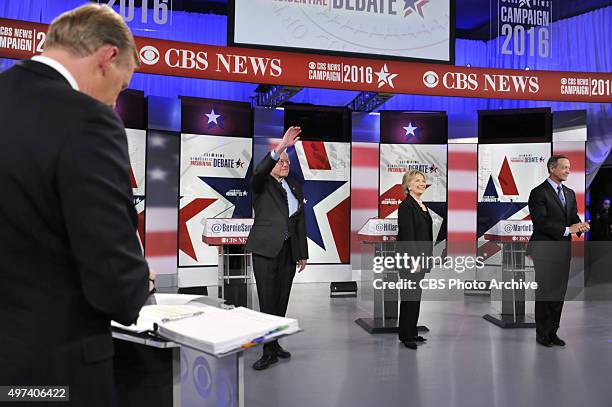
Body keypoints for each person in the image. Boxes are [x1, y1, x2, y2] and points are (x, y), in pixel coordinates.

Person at [0, 4, 153, 406]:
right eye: (121, 87)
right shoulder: (87, 120)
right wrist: (138, 283)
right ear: (108, 57)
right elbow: (115, 284)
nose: (114, 104)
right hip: (50, 373)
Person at [245, 126, 308, 370]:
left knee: (281, 301)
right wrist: (281, 146)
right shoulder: (261, 183)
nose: (285, 164)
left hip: (288, 251)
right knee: (267, 301)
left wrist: (301, 252)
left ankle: (275, 344)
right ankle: (267, 350)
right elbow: (260, 169)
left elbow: (299, 221)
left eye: (287, 161)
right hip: (265, 249)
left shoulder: (294, 186)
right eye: (281, 161)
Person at [527, 155, 588, 347]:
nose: (569, 170)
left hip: (563, 251)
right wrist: (567, 230)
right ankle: (542, 333)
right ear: (552, 169)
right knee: (545, 292)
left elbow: (572, 217)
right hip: (544, 250)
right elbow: (541, 222)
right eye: (565, 167)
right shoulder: (538, 193)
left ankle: (553, 332)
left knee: (558, 293)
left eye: (569, 167)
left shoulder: (569, 193)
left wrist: (579, 225)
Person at [396, 170, 433, 350]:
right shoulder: (406, 206)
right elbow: (408, 236)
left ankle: (411, 331)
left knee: (415, 297)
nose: (421, 183)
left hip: (422, 259)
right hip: (411, 260)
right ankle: (405, 335)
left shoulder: (421, 205)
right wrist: (414, 260)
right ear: (408, 185)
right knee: (408, 297)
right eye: (417, 180)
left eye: (423, 180)